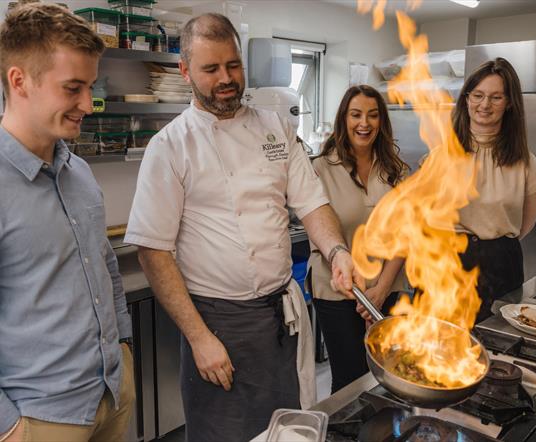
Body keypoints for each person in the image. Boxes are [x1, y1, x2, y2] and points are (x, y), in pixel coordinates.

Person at [124, 13, 362, 442]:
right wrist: (199, 338)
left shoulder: (276, 128)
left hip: (278, 319)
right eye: (211, 69)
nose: (226, 78)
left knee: (286, 431)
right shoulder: (170, 146)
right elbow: (153, 250)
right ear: (185, 71)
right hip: (217, 323)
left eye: (233, 65)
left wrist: (337, 252)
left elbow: (312, 204)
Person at [0, 4, 135, 442]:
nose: (87, 105)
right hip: (40, 418)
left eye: (90, 87)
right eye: (72, 88)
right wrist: (7, 426)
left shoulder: (76, 171)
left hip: (111, 395)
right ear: (19, 81)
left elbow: (106, 267)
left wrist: (124, 349)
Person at [307, 85, 408, 393]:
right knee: (351, 380)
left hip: (391, 286)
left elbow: (405, 234)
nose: (364, 123)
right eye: (356, 115)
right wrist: (363, 294)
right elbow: (320, 232)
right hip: (338, 292)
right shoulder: (320, 168)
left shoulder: (396, 169)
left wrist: (381, 289)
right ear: (344, 119)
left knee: (393, 376)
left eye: (373, 115)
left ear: (382, 122)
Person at [452, 57, 536, 323]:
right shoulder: (441, 157)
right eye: (478, 95)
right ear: (467, 99)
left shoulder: (525, 162)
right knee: (442, 351)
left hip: (501, 266)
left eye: (495, 97)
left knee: (495, 349)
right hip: (449, 265)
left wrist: (493, 245)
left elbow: (526, 222)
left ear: (509, 103)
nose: (484, 105)